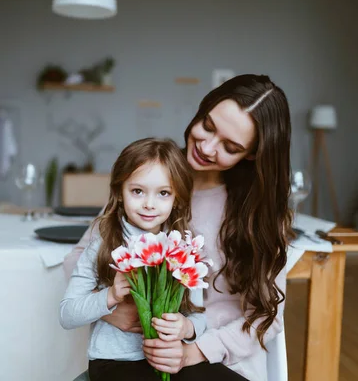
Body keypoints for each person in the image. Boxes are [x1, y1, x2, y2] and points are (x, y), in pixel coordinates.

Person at [64, 74, 293, 381]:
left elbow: (266, 318)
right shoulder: (150, 177)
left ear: (252, 154)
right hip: (138, 359)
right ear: (203, 109)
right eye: (208, 126)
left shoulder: (259, 215)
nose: (207, 147)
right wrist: (110, 308)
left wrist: (193, 351)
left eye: (230, 146)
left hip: (222, 362)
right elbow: (80, 258)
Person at [59, 138, 209, 381]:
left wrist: (186, 328)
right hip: (114, 363)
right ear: (119, 192)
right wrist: (110, 296)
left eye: (163, 193)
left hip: (168, 360)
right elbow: (66, 314)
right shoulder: (102, 245)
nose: (149, 204)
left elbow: (200, 316)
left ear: (177, 198)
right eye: (137, 191)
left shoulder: (183, 249)